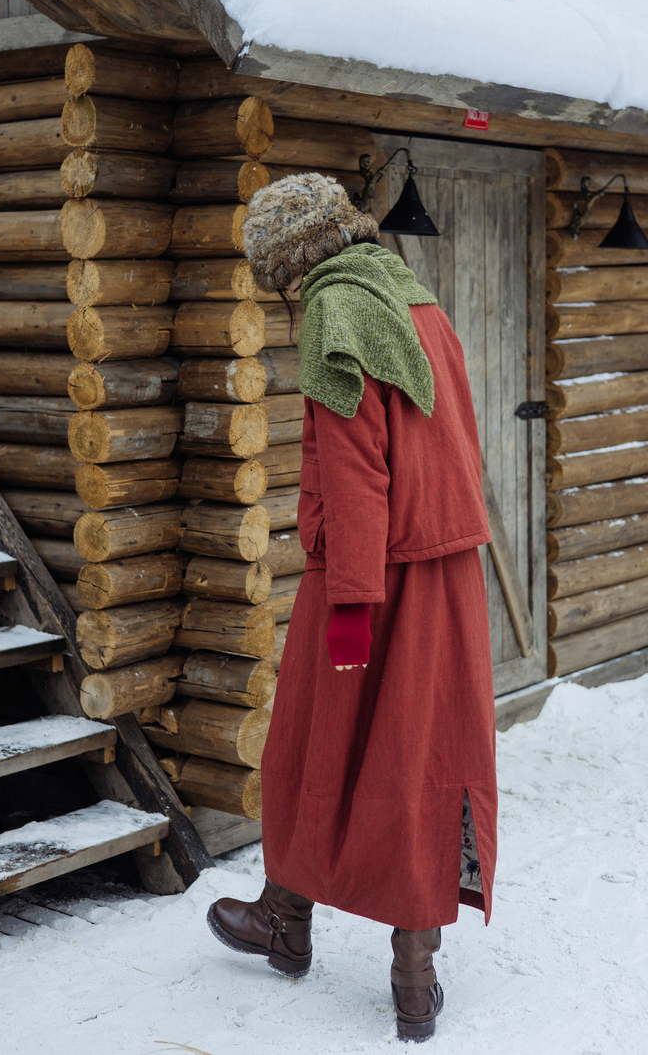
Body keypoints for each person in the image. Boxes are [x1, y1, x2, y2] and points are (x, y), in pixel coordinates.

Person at [207, 173, 498, 1043]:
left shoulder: (337, 311)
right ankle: (410, 978)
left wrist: (351, 608)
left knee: (307, 744)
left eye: (279, 282)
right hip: (447, 572)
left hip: (372, 576)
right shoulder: (415, 298)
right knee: (420, 759)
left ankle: (287, 921)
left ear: (294, 266)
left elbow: (356, 471)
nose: (288, 298)